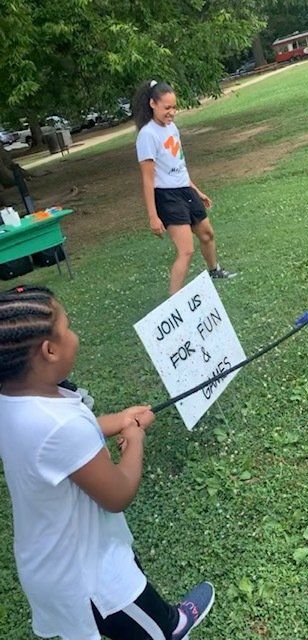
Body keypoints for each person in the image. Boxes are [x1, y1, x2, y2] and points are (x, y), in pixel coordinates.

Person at [0, 285, 215, 640]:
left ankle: (166, 620)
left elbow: (59, 447)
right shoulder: (60, 426)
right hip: (91, 578)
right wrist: (135, 440)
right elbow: (118, 494)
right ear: (49, 350)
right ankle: (172, 627)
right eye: (68, 327)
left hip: (49, 559)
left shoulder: (15, 400)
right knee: (155, 632)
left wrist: (119, 420)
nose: (75, 335)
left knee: (133, 579)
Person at [134, 80, 236, 295]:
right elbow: (147, 179)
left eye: (174, 107)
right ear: (152, 104)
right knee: (186, 250)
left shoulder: (172, 128)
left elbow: (178, 165)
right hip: (167, 197)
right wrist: (153, 217)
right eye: (167, 108)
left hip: (185, 190)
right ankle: (174, 300)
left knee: (207, 234)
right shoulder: (147, 135)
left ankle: (215, 271)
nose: (171, 113)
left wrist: (196, 190)